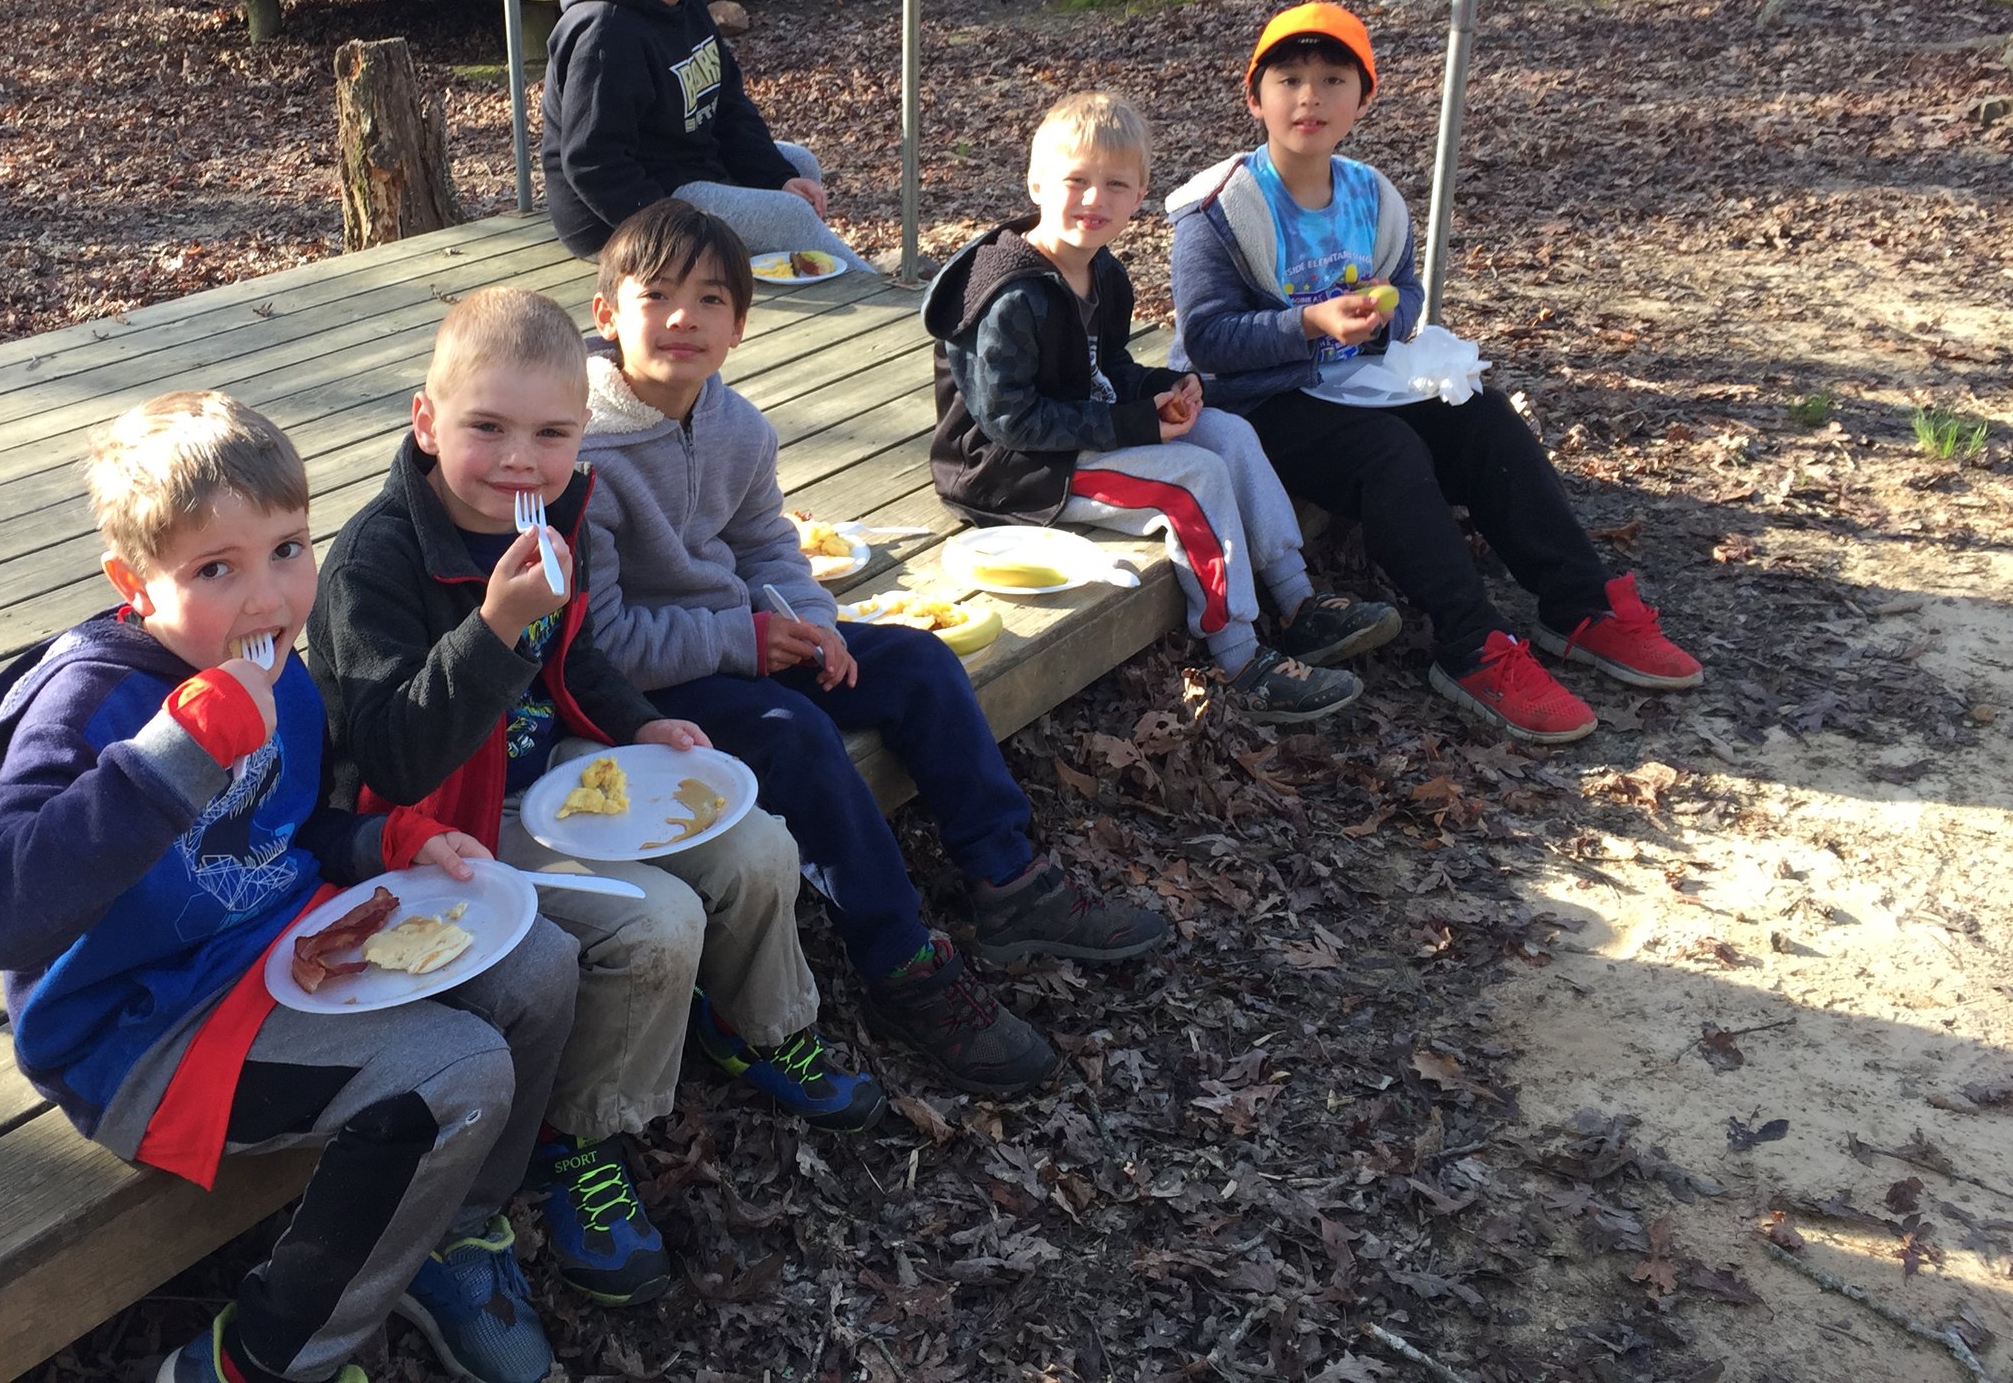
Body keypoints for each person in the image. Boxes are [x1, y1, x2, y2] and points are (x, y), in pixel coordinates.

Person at [0, 391, 571, 1383]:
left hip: (283, 946)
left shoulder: (278, 670)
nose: (266, 600)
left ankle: (450, 1236)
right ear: (133, 584)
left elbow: (285, 826)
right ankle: (260, 1358)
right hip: (143, 1034)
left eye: (287, 548)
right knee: (453, 1070)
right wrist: (169, 755)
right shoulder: (94, 702)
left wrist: (386, 841)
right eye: (213, 570)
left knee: (540, 962)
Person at [303, 287, 881, 1315]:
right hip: (445, 823)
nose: (520, 460)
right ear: (425, 420)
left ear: (583, 431)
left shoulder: (560, 506)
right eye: (486, 427)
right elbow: (391, 757)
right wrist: (488, 630)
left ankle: (762, 1025)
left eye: (552, 434)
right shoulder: (373, 566)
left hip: (557, 767)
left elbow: (581, 650)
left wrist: (635, 723)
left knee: (755, 847)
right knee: (653, 924)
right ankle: (584, 1137)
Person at [577, 199, 1174, 1102]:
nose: (681, 318)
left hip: (748, 631)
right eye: (655, 295)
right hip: (653, 684)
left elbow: (767, 545)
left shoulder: (738, 424)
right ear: (606, 313)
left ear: (739, 325)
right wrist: (747, 640)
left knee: (918, 664)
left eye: (709, 300)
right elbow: (605, 642)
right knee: (797, 738)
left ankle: (1008, 876)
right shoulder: (582, 453)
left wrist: (810, 620)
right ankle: (899, 959)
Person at [1169, 1, 1703, 745]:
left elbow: (1406, 288)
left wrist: (1387, 313)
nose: (1309, 98)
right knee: (1389, 452)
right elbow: (1207, 339)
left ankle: (1579, 605)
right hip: (1258, 406)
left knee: (1479, 417)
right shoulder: (1219, 207)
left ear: (1364, 96)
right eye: (1287, 79)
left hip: (1355, 380)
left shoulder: (1370, 194)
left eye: (1332, 79)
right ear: (1254, 96)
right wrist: (1310, 322)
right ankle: (1471, 644)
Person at [922, 92, 1395, 724]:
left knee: (1227, 433)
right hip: (1011, 470)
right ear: (1036, 183)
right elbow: (1009, 420)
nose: (1094, 200)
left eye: (1115, 185)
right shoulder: (1011, 292)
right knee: (1193, 481)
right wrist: (1138, 424)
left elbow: (1105, 368)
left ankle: (1298, 600)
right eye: (1076, 181)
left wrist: (1163, 389)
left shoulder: (1104, 274)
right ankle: (1240, 655)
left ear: (1140, 195)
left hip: (1071, 435)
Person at [538, 0, 871, 270]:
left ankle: (775, 271)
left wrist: (775, 177)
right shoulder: (605, 34)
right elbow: (593, 164)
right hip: (615, 219)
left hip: (685, 169)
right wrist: (670, 238)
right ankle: (876, 291)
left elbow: (728, 108)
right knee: (788, 214)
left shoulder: (685, 0)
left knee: (798, 165)